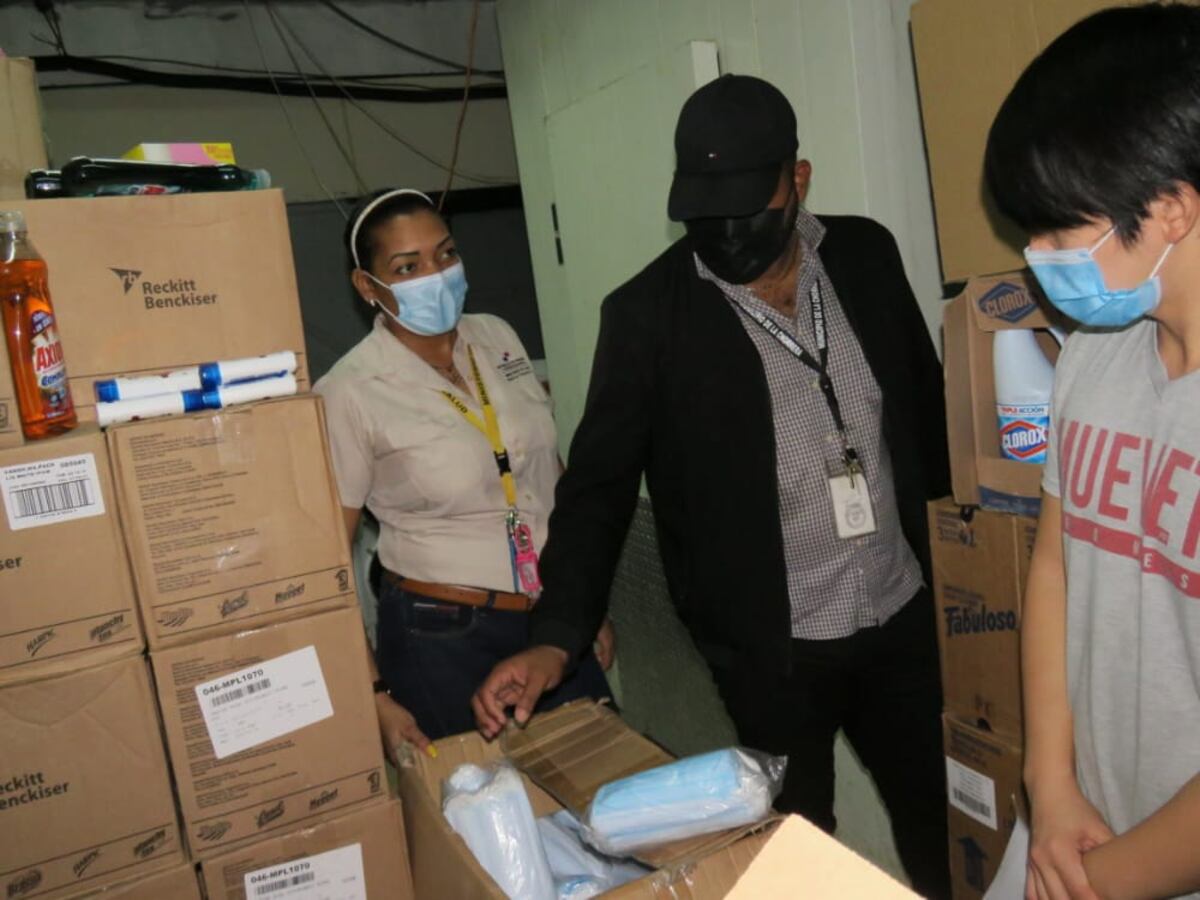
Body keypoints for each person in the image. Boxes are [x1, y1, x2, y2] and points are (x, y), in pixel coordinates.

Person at [473, 75, 951, 898]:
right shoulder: (649, 316)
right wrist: (557, 635)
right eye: (705, 211)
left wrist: (968, 565)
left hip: (902, 609)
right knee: (800, 847)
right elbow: (598, 491)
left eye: (747, 204)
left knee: (940, 819)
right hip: (774, 646)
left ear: (797, 182)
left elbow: (928, 413)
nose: (725, 232)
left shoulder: (866, 255)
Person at [983, 6, 1200, 899]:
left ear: (1172, 209)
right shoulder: (1096, 355)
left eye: (1060, 235)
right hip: (1078, 826)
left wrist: (1102, 884)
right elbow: (1056, 568)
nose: (1037, 260)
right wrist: (1050, 782)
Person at [315, 188, 613, 757]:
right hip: (442, 634)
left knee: (602, 785)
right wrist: (372, 692)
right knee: (489, 820)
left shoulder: (497, 336)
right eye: (408, 267)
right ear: (366, 286)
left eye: (445, 254)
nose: (437, 275)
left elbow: (552, 477)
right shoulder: (349, 392)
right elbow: (328, 561)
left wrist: (579, 608)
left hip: (549, 619)